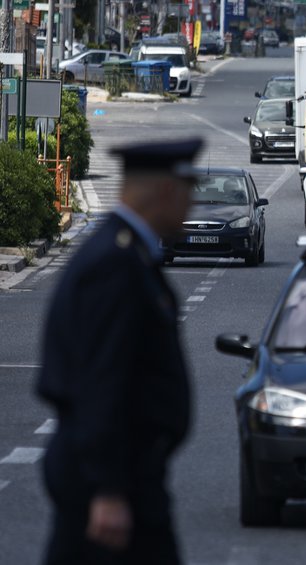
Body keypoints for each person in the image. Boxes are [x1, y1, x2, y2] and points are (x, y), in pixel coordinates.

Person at [36, 138, 203, 565]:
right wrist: (109, 489)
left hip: (124, 475)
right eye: (189, 192)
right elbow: (101, 381)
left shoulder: (127, 254)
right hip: (110, 481)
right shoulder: (115, 265)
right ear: (167, 191)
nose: (193, 205)